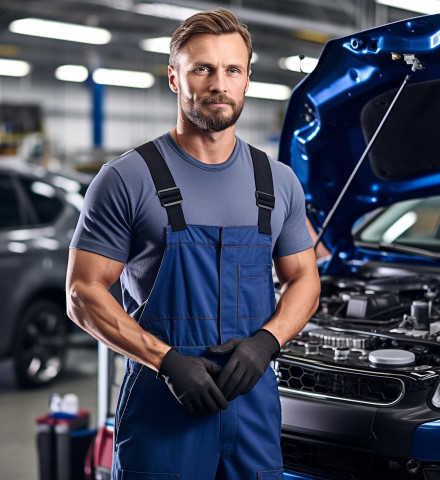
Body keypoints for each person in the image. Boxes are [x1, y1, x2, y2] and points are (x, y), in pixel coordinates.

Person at [66, 8, 320, 480]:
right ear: (174, 78)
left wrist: (267, 341)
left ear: (246, 79)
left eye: (232, 70)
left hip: (253, 417)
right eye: (202, 68)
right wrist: (166, 363)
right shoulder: (127, 179)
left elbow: (304, 277)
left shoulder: (278, 181)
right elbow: (83, 293)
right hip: (162, 417)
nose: (218, 83)